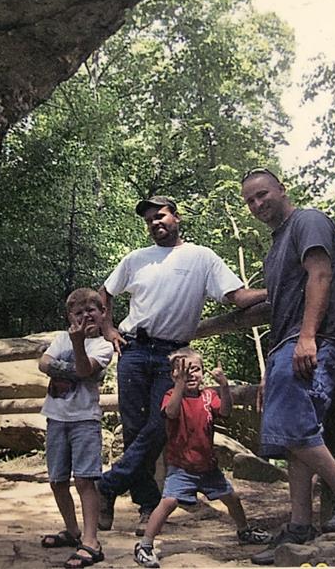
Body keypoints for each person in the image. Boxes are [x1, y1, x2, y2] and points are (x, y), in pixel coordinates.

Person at [97, 195, 267, 535]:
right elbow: (105, 293)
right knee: (134, 429)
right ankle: (147, 505)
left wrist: (277, 289)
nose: (155, 223)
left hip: (172, 356)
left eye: (160, 215)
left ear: (177, 217)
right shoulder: (136, 259)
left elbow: (238, 296)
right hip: (133, 349)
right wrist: (108, 329)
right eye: (149, 220)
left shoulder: (201, 257)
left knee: (161, 424)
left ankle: (108, 485)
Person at [240, 168, 335, 565]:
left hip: (311, 340)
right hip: (287, 343)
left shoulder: (308, 221)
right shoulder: (275, 247)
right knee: (294, 433)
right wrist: (271, 367)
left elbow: (321, 274)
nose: (257, 204)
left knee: (294, 427)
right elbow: (278, 301)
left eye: (263, 194)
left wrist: (308, 336)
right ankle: (300, 525)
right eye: (250, 200)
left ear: (282, 189)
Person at [133, 347, 271, 568]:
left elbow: (225, 411)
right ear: (173, 375)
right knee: (169, 502)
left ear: (203, 373)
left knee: (232, 498)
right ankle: (145, 545)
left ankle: (244, 531)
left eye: (195, 369)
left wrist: (224, 385)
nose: (190, 374)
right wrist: (179, 385)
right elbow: (171, 412)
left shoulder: (208, 396)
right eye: (182, 370)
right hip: (181, 466)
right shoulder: (171, 396)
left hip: (208, 466)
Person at [39, 288, 114, 569]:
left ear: (103, 313)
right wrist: (69, 366)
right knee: (57, 480)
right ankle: (72, 531)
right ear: (70, 316)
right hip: (56, 417)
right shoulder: (61, 338)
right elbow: (43, 363)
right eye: (78, 312)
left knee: (84, 480)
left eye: (91, 310)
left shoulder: (103, 346)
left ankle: (91, 541)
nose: (85, 316)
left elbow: (84, 370)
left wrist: (77, 347)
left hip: (85, 419)